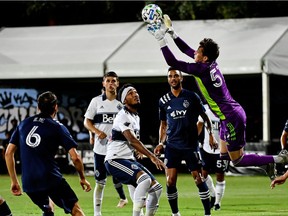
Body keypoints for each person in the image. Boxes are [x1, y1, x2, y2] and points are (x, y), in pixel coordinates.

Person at [147, 19, 288, 180]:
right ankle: (264, 163)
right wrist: (174, 34)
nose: (195, 53)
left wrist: (161, 40)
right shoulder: (210, 63)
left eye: (198, 51)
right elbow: (187, 50)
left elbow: (173, 62)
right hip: (229, 114)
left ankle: (277, 159)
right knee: (224, 157)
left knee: (237, 160)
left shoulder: (202, 69)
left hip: (230, 117)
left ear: (205, 57)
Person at [5, 91, 91, 216]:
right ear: (56, 107)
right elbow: (75, 157)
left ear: (38, 107)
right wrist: (82, 178)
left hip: (29, 182)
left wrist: (14, 181)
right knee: (75, 209)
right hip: (50, 178)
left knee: (48, 208)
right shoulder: (57, 127)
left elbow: (8, 153)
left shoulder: (24, 124)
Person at [154, 68, 218, 216]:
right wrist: (160, 143)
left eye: (176, 75)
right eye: (170, 76)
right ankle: (175, 214)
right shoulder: (163, 100)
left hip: (190, 145)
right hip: (172, 146)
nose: (173, 78)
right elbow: (163, 125)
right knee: (170, 181)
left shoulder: (192, 97)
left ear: (181, 78)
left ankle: (207, 213)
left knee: (199, 179)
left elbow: (205, 117)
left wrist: (211, 135)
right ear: (168, 79)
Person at [104, 83, 166, 216]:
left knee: (157, 189)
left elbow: (131, 140)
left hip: (128, 159)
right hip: (115, 159)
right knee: (145, 180)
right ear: (124, 100)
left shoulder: (135, 117)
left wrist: (136, 150)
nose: (136, 95)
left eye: (136, 92)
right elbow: (132, 139)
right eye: (131, 93)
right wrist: (151, 156)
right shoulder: (123, 116)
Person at [83, 71, 129, 216]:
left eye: (113, 81)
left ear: (118, 83)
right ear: (103, 83)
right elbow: (87, 121)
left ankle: (136, 207)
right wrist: (96, 132)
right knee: (100, 182)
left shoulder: (122, 103)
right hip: (100, 149)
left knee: (125, 178)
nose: (111, 83)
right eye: (108, 81)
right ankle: (97, 213)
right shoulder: (96, 101)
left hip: (118, 149)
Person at [197, 104, 229, 211]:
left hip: (222, 151)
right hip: (206, 149)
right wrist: (193, 139)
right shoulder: (205, 109)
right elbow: (200, 124)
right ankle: (213, 194)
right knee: (203, 176)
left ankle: (217, 203)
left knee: (220, 176)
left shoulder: (226, 110)